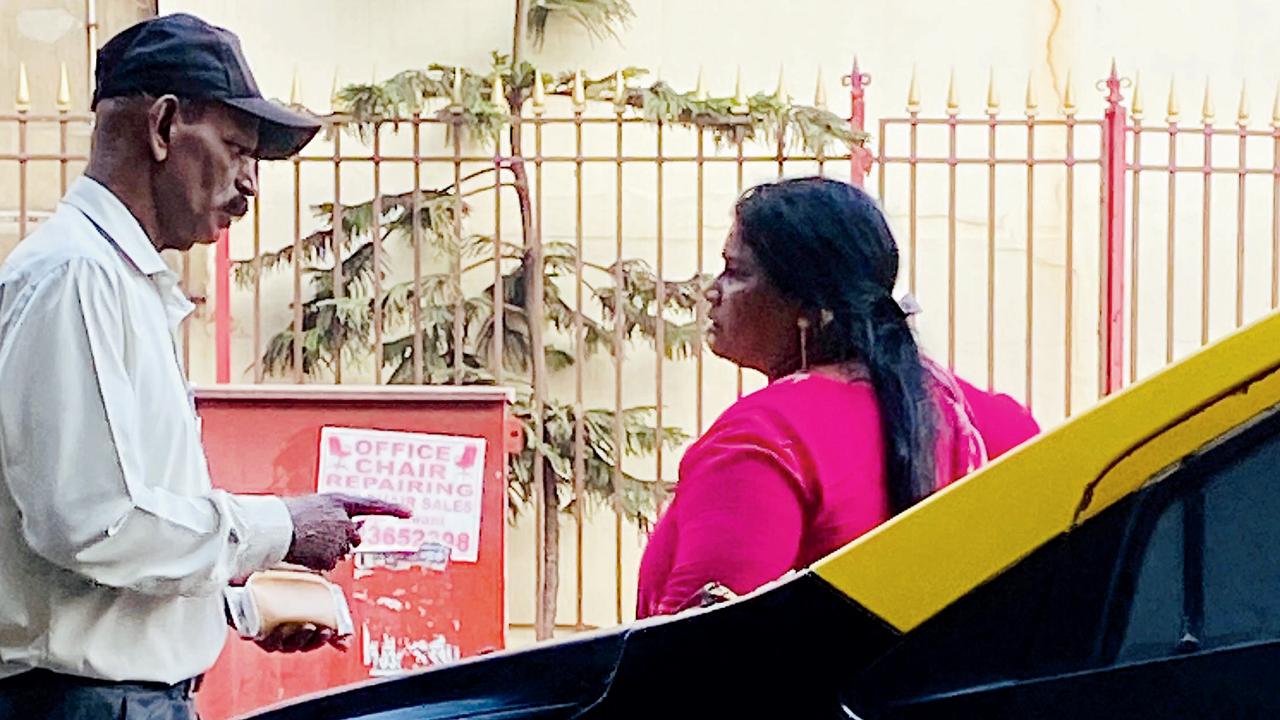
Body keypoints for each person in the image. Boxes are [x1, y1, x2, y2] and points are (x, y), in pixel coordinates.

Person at [0, 14, 408, 719]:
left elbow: (81, 553)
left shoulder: (115, 281)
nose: (250, 186)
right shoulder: (77, 277)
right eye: (237, 149)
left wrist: (234, 607)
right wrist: (282, 526)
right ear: (162, 129)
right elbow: (90, 521)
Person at [636, 177, 986, 619]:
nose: (712, 291)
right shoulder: (969, 410)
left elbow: (693, 654)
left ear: (806, 305)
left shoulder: (762, 437)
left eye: (736, 272)